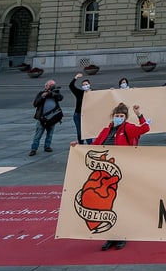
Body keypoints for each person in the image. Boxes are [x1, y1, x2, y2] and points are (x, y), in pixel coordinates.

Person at [78, 102, 150, 251]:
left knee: (121, 204)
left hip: (122, 172)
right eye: (117, 116)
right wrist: (77, 147)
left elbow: (145, 128)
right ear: (112, 117)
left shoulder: (128, 128)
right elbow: (95, 146)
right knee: (108, 206)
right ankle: (110, 236)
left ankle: (122, 235)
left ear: (125, 117)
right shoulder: (105, 131)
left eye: (121, 116)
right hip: (105, 175)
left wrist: (139, 115)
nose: (119, 118)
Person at [30, 79, 63, 156]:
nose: (50, 87)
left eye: (52, 86)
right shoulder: (41, 93)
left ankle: (47, 146)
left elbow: (60, 97)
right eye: (49, 85)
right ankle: (34, 149)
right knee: (38, 135)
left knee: (50, 134)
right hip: (42, 118)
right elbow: (35, 104)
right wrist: (42, 96)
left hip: (52, 117)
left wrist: (51, 93)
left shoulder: (55, 93)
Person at [68, 73, 90, 144]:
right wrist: (76, 77)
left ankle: (90, 144)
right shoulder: (79, 93)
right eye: (83, 85)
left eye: (86, 84)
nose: (85, 86)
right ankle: (81, 145)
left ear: (89, 85)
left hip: (88, 115)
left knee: (88, 131)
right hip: (78, 114)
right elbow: (71, 86)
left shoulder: (93, 93)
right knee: (80, 132)